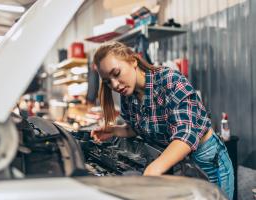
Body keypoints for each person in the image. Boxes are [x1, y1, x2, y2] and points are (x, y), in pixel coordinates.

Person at [90, 41, 234, 199]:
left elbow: (186, 135)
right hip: (176, 162)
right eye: (107, 82)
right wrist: (112, 130)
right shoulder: (128, 95)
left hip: (207, 161)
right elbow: (135, 128)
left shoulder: (170, 81)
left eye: (116, 73)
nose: (115, 85)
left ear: (133, 61)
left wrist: (154, 169)